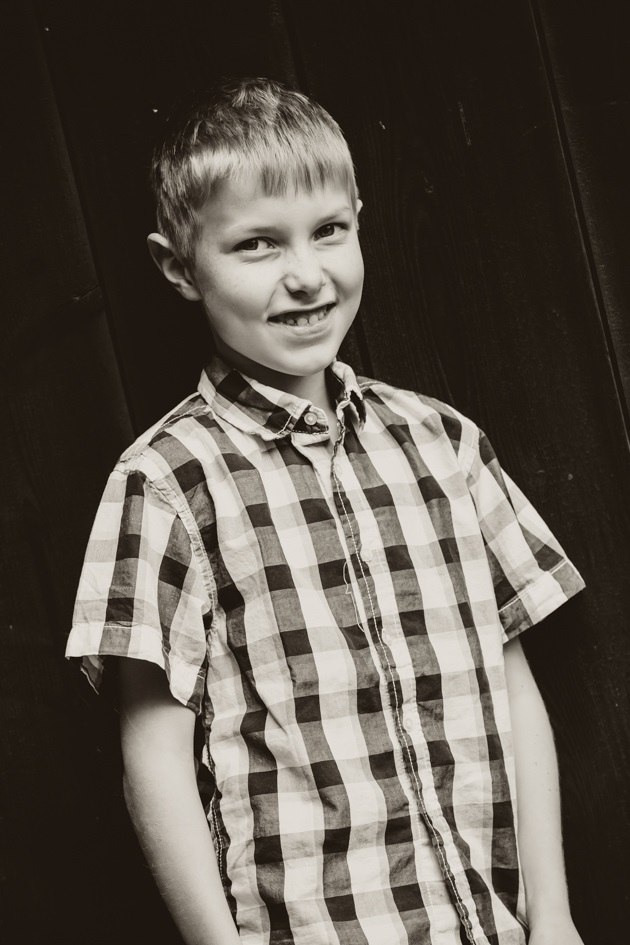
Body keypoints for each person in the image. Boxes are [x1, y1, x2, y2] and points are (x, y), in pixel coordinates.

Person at [66, 78, 586, 945]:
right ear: (178, 266)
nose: (306, 274)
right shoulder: (167, 481)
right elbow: (152, 753)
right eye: (257, 244)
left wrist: (555, 915)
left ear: (359, 222)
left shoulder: (443, 442)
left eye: (329, 230)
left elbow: (513, 690)